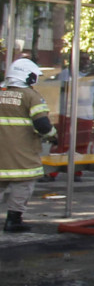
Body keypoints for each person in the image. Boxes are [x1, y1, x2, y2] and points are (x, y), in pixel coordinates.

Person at [0, 59, 53, 234]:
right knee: (24, 183)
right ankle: (13, 220)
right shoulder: (31, 96)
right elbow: (43, 125)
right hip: (22, 152)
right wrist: (54, 136)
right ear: (28, 77)